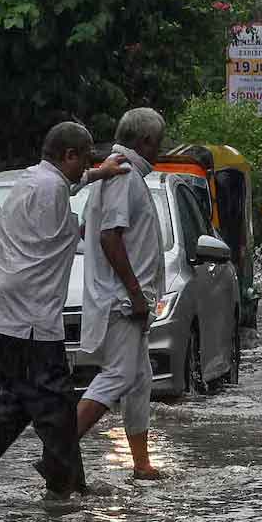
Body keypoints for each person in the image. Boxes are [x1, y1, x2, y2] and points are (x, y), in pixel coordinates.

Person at [0, 122, 130, 500]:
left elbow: (66, 183)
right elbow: (80, 228)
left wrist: (95, 175)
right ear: (69, 155)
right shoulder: (52, 190)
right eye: (86, 157)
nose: (89, 163)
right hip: (30, 318)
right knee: (54, 401)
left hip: (5, 310)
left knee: (19, 397)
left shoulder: (32, 178)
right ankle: (65, 488)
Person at [78, 107, 168, 480]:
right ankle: (59, 448)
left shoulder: (118, 173)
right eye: (159, 142)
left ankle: (141, 462)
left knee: (138, 379)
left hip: (131, 298)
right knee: (118, 375)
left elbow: (96, 231)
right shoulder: (123, 176)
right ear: (145, 141)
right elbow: (108, 236)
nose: (161, 149)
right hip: (123, 300)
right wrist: (133, 292)